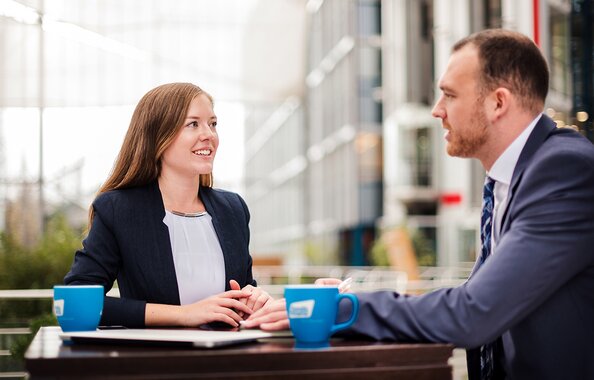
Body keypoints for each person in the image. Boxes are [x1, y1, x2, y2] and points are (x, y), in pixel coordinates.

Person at [244, 29, 594, 379]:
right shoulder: (514, 177)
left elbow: (473, 313)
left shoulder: (563, 171)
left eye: (449, 95)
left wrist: (344, 309)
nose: (436, 111)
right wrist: (350, 299)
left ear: (498, 103)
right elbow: (476, 296)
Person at [65, 82, 271, 328]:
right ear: (158, 137)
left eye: (212, 123)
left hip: (227, 358)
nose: (209, 135)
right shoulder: (119, 210)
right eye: (193, 124)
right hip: (157, 362)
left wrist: (255, 299)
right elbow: (76, 301)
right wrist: (185, 314)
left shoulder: (233, 208)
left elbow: (242, 291)